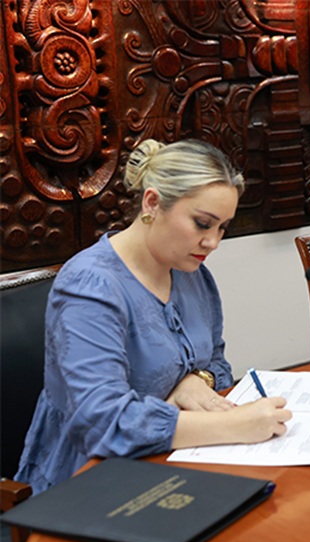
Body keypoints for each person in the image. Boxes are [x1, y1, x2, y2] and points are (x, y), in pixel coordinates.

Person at [16, 139, 293, 494]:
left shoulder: (192, 274)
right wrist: (236, 426)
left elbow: (218, 364)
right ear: (152, 203)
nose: (213, 242)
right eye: (202, 224)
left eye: (222, 227)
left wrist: (196, 381)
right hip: (90, 481)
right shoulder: (90, 286)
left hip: (178, 460)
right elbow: (102, 422)